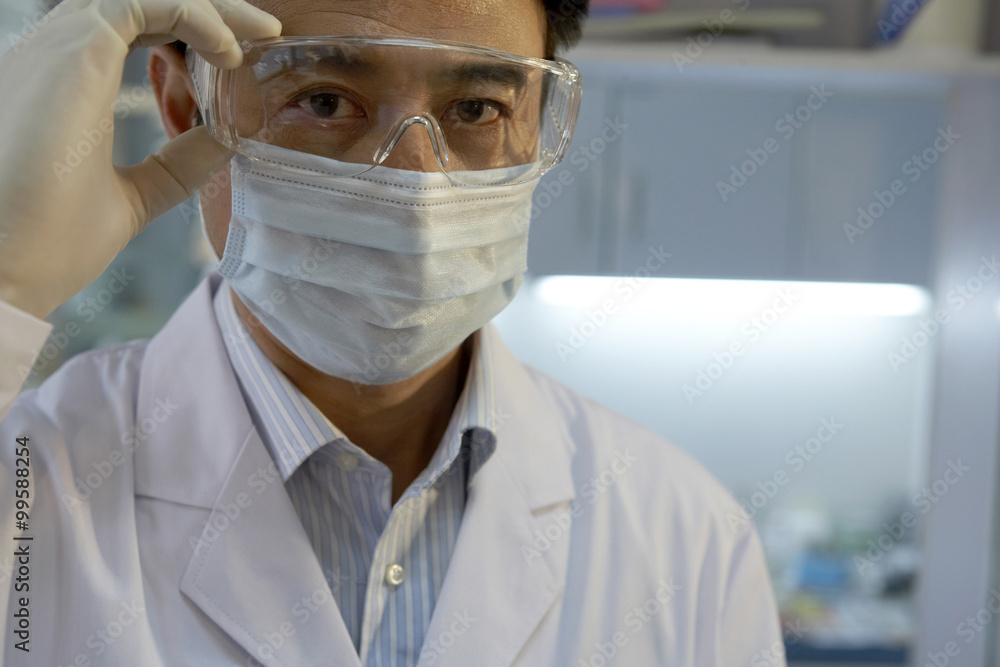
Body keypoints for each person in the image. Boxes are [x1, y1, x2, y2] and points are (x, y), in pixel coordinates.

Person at [0, 0, 785, 664]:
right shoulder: (26, 485)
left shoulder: (688, 541)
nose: (413, 182)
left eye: (476, 109)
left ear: (538, 121)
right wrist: (5, 278)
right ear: (184, 106)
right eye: (324, 98)